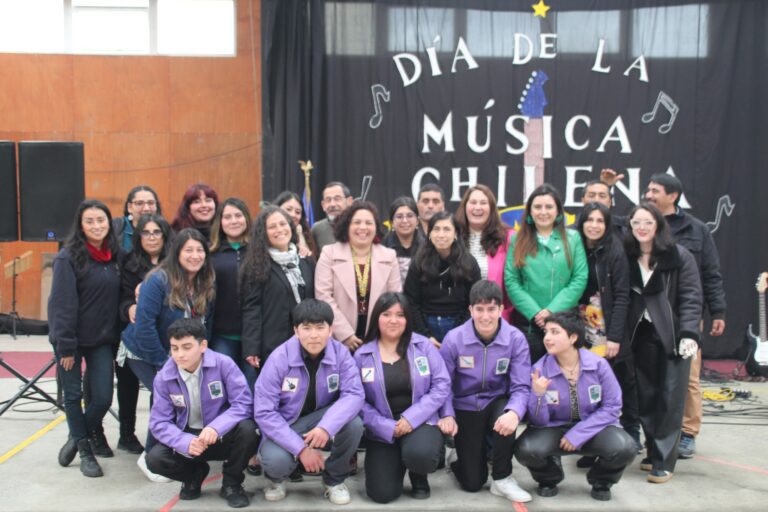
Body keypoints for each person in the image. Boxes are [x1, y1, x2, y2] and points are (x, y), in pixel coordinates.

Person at [121, 228, 216, 477]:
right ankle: (150, 456)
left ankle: (167, 448)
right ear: (177, 253)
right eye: (189, 250)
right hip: (143, 351)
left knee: (175, 396)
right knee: (166, 394)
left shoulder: (205, 282)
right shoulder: (158, 280)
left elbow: (206, 325)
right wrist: (165, 364)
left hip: (179, 354)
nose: (195, 255)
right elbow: (144, 327)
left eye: (200, 250)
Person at [644, 173, 726, 458]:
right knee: (651, 376)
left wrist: (718, 311)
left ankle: (688, 433)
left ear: (673, 196)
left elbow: (710, 273)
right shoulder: (643, 225)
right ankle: (655, 432)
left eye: (655, 190)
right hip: (648, 317)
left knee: (687, 376)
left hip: (685, 317)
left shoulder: (696, 229)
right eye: (648, 189)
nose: (649, 194)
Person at [514, 311, 636, 501]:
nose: (547, 338)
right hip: (555, 428)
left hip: (594, 427)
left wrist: (578, 434)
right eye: (546, 332)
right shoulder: (539, 370)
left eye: (555, 332)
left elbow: (612, 406)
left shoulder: (598, 365)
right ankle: (549, 477)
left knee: (626, 448)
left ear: (572, 337)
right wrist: (538, 395)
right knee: (526, 449)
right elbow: (538, 422)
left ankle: (601, 481)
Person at [253, 299, 364, 505]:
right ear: (296, 330)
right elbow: (264, 412)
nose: (314, 335)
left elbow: (354, 394)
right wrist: (301, 450)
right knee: (275, 462)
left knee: (354, 423)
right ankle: (276, 480)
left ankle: (334, 480)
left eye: (320, 327)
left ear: (330, 330)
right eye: (307, 328)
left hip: (321, 420)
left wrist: (326, 428)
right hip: (286, 425)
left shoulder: (341, 354)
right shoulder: (279, 359)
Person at [624, 202, 702, 483]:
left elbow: (692, 298)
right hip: (641, 336)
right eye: (636, 223)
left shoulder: (678, 257)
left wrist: (690, 333)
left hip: (673, 337)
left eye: (647, 222)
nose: (642, 228)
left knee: (671, 398)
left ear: (658, 225)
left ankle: (664, 461)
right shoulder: (627, 257)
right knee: (646, 397)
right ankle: (653, 450)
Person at [146, 318, 257, 509]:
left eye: (187, 347)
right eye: (175, 348)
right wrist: (183, 441)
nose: (180, 354)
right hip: (189, 437)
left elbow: (243, 403)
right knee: (154, 459)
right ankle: (194, 475)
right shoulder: (164, 377)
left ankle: (232, 484)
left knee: (249, 430)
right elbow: (159, 423)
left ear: (203, 345)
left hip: (220, 434)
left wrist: (217, 427)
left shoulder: (224, 364)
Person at [436, 280, 532, 502]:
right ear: (470, 310)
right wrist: (447, 413)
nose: (486, 316)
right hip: (464, 405)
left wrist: (515, 412)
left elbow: (521, 386)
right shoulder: (454, 339)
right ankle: (457, 457)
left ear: (500, 309)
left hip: (496, 400)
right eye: (479, 309)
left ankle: (502, 478)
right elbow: (443, 384)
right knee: (472, 483)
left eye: (491, 309)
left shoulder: (515, 339)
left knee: (505, 417)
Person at [354, 293, 450, 503]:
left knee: (420, 455)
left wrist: (410, 418)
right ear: (376, 318)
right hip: (383, 427)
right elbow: (356, 400)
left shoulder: (423, 346)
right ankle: (398, 460)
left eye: (400, 315)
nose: (393, 320)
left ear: (408, 319)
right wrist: (387, 427)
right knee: (382, 494)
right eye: (386, 314)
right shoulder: (362, 355)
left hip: (421, 421)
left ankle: (418, 474)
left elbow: (441, 385)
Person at [49, 199, 121, 478]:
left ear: (108, 223)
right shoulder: (68, 258)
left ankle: (74, 438)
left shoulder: (114, 257)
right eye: (90, 221)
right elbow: (61, 305)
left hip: (101, 340)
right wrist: (66, 345)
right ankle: (86, 452)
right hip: (70, 342)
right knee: (74, 395)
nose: (97, 226)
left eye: (101, 220)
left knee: (102, 397)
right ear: (80, 225)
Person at [575, 203, 640, 463]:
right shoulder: (576, 247)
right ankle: (590, 446)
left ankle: (628, 437)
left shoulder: (615, 250)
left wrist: (614, 337)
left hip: (606, 328)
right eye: (589, 220)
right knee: (587, 390)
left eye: (600, 221)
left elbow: (623, 295)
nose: (594, 225)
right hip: (580, 327)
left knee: (616, 385)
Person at [504, 183, 588, 363]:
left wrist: (551, 311)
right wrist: (535, 313)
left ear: (558, 211)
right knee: (530, 378)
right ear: (530, 212)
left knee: (565, 378)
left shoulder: (573, 239)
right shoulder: (517, 240)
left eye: (549, 207)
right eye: (537, 207)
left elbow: (579, 278)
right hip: (528, 325)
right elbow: (511, 280)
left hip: (565, 324)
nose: (543, 212)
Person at [315, 201, 401, 352]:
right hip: (337, 340)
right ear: (347, 226)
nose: (363, 227)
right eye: (357, 222)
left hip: (378, 338)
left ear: (376, 227)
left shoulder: (389, 255)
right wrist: (344, 334)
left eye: (369, 223)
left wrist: (381, 334)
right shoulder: (329, 253)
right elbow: (323, 297)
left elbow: (395, 299)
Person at [241, 206, 315, 372]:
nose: (280, 230)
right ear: (263, 233)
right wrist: (252, 347)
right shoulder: (257, 265)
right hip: (274, 344)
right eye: (272, 227)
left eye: (283, 224)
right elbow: (252, 309)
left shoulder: (306, 260)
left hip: (308, 341)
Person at [405, 211, 481, 347]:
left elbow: (474, 302)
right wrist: (425, 335)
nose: (441, 235)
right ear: (429, 234)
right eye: (436, 229)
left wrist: (457, 333)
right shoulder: (418, 262)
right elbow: (411, 302)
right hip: (425, 326)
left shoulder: (469, 263)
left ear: (456, 234)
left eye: (447, 229)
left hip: (460, 327)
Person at [455, 184, 516, 321]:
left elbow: (514, 283)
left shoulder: (508, 238)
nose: (477, 207)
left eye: (483, 203)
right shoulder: (452, 237)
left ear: (492, 208)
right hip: (459, 318)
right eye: (473, 202)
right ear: (465, 207)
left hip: (495, 317)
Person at [209, 198, 252, 374]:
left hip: (253, 336)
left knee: (252, 389)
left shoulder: (259, 250)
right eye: (227, 217)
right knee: (224, 389)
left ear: (247, 219)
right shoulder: (210, 253)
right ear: (220, 222)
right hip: (221, 335)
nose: (233, 221)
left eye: (238, 215)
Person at [381, 196, 424, 283]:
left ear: (417, 221)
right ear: (392, 223)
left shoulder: (426, 248)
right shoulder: (382, 248)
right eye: (399, 217)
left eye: (410, 216)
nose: (405, 221)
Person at [112, 185, 162, 251]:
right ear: (129, 207)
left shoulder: (165, 230)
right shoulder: (115, 227)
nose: (146, 208)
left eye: (151, 203)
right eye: (140, 203)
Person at [274, 190, 318, 258]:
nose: (293, 215)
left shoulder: (305, 235)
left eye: (297, 212)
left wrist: (300, 236)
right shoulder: (270, 234)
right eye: (288, 209)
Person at [311, 181, 353, 253]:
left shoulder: (359, 226)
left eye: (337, 199)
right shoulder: (317, 229)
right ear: (323, 205)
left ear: (349, 201)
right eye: (328, 200)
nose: (332, 204)